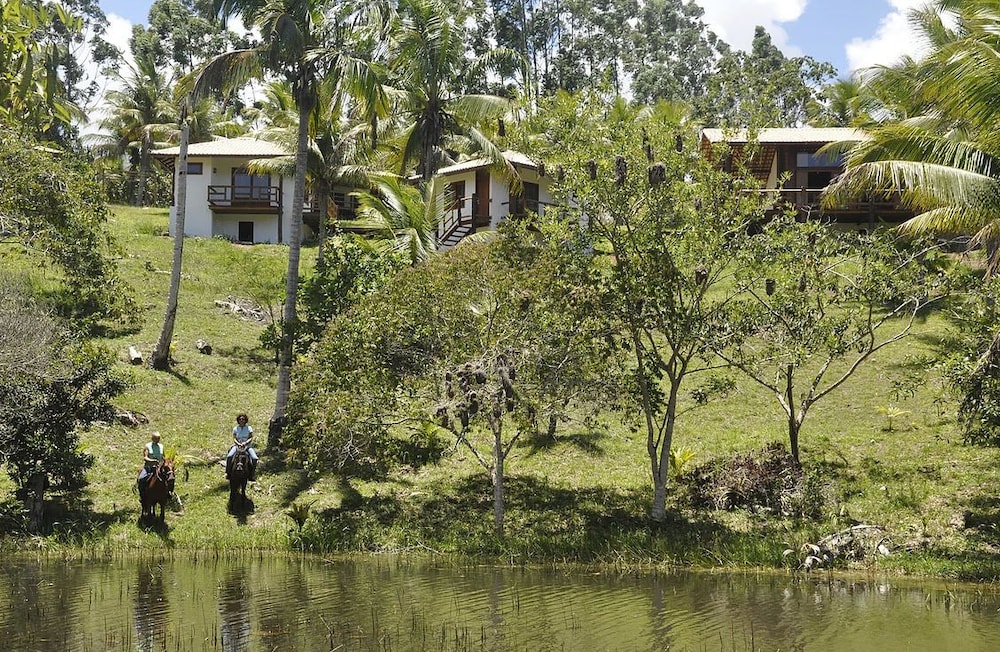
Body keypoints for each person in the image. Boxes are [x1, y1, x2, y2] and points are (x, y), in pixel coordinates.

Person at [226, 413, 258, 481]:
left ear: (245, 420)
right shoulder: (235, 428)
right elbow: (234, 438)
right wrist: (238, 444)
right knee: (229, 456)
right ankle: (228, 473)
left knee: (254, 458)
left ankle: (252, 474)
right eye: (240, 419)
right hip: (237, 446)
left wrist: (245, 443)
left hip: (247, 446)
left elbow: (250, 437)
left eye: (243, 419)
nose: (241, 420)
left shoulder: (249, 428)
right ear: (238, 420)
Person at [138, 431, 163, 498]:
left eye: (158, 438)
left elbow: (163, 457)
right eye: (156, 438)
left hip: (159, 467)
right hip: (149, 467)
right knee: (141, 478)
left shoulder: (161, 446)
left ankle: (169, 493)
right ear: (152, 438)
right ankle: (142, 495)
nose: (157, 440)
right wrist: (153, 461)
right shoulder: (147, 446)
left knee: (169, 478)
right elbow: (145, 457)